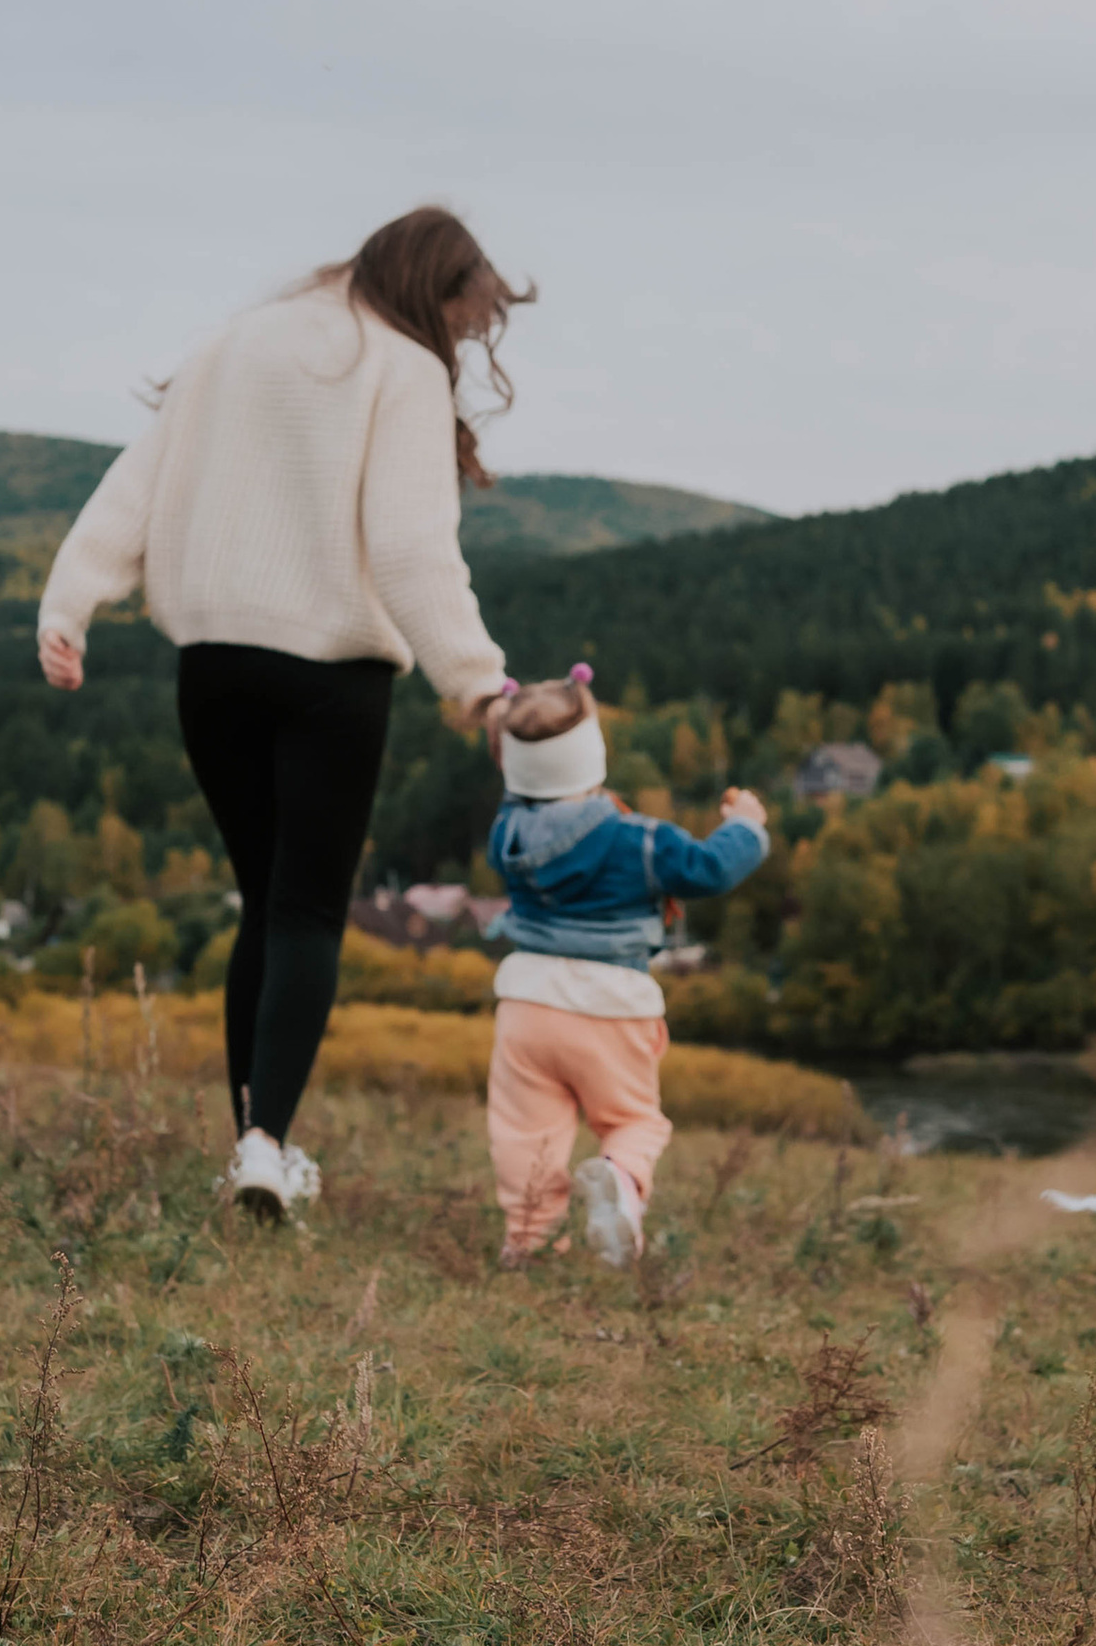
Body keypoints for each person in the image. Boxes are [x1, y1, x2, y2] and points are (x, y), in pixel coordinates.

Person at [37, 209, 522, 1218]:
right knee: (306, 910)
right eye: (465, 322)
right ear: (436, 290)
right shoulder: (400, 367)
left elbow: (142, 476)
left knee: (262, 904)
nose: (462, 343)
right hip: (330, 675)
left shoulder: (239, 339)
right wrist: (478, 681)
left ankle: (250, 1146)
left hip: (211, 666)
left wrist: (72, 597)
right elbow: (407, 548)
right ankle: (265, 1147)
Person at [483, 667, 769, 1270]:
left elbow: (522, 782)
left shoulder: (506, 833)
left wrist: (508, 725)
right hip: (611, 1005)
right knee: (633, 1119)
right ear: (594, 754)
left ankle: (528, 1241)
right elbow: (710, 869)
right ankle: (621, 1179)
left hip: (527, 1004)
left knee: (524, 1133)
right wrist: (746, 825)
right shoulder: (639, 840)